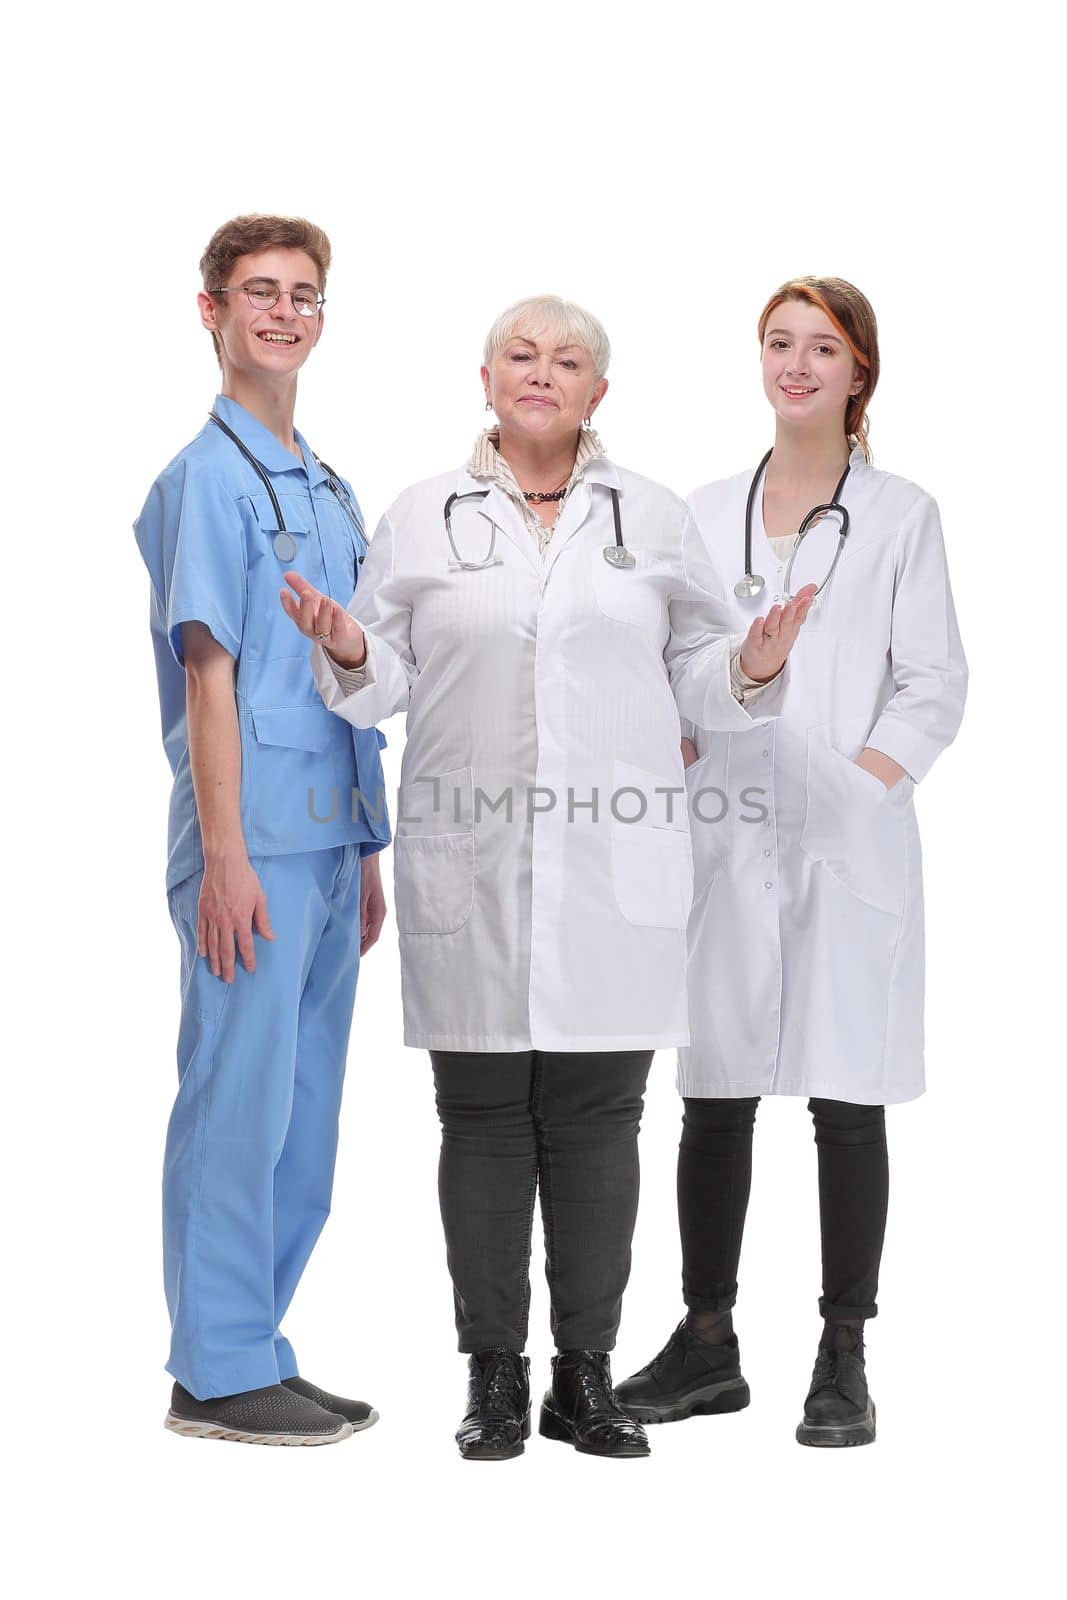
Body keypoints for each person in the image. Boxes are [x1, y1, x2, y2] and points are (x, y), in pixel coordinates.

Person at [279, 294, 816, 1459]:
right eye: (521, 354)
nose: (542, 371)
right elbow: (378, 686)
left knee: (596, 1123)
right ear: (485, 378)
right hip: (467, 863)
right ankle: (493, 1379)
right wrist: (345, 643)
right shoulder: (423, 516)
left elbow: (703, 682)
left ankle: (585, 1376)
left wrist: (755, 660)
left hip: (610, 872)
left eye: (567, 359)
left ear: (596, 394)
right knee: (477, 1126)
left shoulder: (650, 516)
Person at [616, 276, 968, 1447]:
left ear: (859, 370)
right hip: (720, 835)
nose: (797, 365)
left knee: (844, 1096)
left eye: (822, 347)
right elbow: (673, 665)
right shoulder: (702, 514)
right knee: (709, 1090)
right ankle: (705, 1341)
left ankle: (841, 1351)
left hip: (841, 842)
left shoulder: (901, 514)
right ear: (757, 360)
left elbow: (932, 681)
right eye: (779, 343)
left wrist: (863, 791)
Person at [134, 214, 390, 1446]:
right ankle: (217, 1363)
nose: (283, 313)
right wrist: (226, 860)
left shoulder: (324, 483)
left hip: (329, 839)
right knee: (238, 1100)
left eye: (304, 295)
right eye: (259, 293)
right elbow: (209, 676)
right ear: (212, 312)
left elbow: (351, 670)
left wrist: (367, 845)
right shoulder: (207, 479)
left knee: (306, 1110)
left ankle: (253, 1345)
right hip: (253, 849)